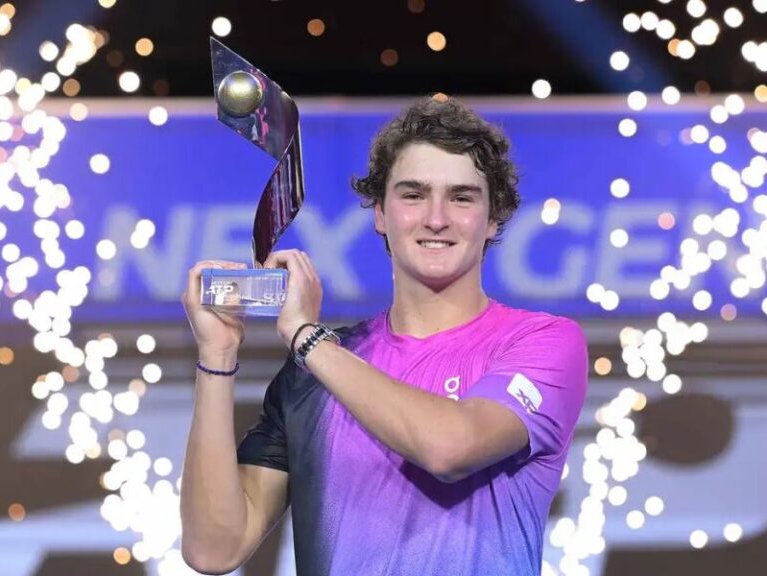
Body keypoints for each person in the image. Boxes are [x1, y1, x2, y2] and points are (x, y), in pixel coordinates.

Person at [179, 96, 588, 576]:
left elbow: (450, 448)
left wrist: (307, 337)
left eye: (461, 197)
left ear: (493, 218)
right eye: (413, 195)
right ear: (380, 213)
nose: (436, 218)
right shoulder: (315, 374)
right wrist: (217, 356)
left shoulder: (542, 342)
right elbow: (213, 549)